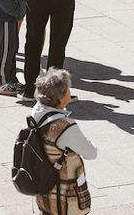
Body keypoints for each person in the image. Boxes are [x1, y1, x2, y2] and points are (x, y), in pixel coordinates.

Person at [29, 69, 97, 214]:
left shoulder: (36, 113)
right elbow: (91, 153)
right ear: (60, 96)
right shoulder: (64, 127)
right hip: (64, 195)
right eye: (67, 89)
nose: (69, 92)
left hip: (44, 188)